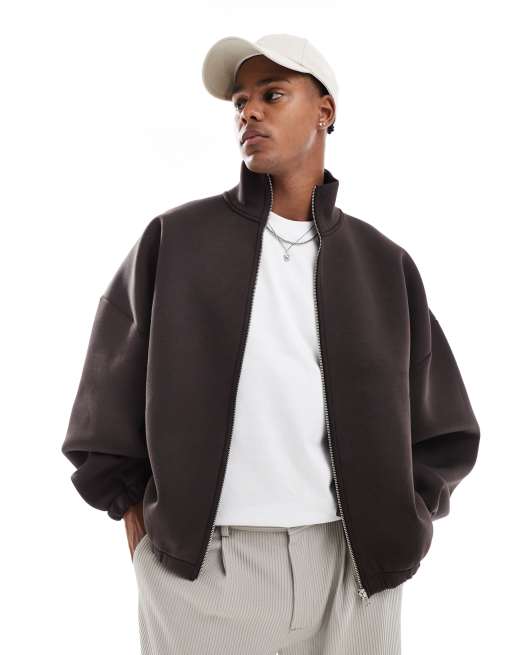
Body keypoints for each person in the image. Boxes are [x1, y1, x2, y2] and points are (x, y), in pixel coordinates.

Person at [61, 34, 480, 655]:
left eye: (272, 94)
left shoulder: (382, 263)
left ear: (324, 111)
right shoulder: (175, 241)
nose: (249, 112)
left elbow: (443, 424)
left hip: (353, 570)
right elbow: (106, 401)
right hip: (205, 568)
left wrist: (400, 520)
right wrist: (138, 524)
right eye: (240, 102)